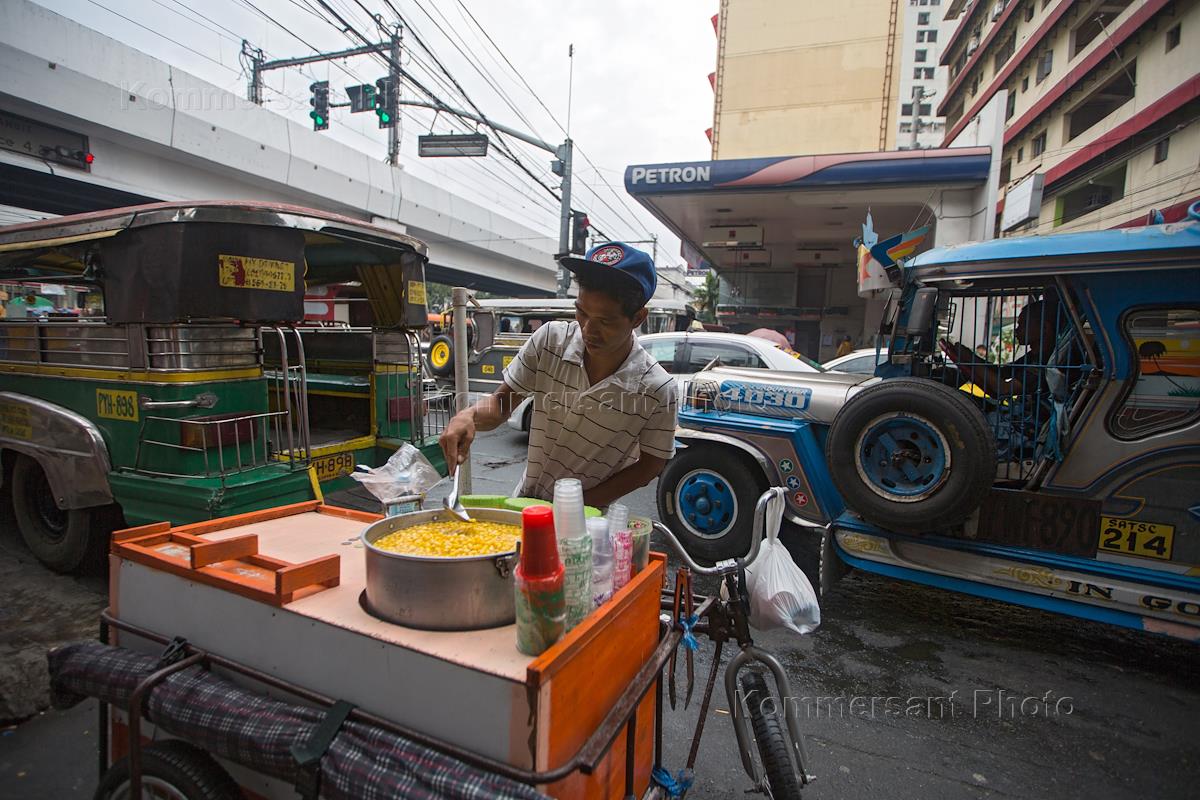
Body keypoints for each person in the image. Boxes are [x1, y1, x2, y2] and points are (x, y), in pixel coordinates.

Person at [439, 243, 678, 507]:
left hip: (586, 518)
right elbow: (500, 404)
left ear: (638, 318)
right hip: (525, 505)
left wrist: (576, 505)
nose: (588, 330)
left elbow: (650, 465)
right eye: (582, 313)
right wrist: (469, 416)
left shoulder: (657, 389)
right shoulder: (549, 341)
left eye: (605, 321)